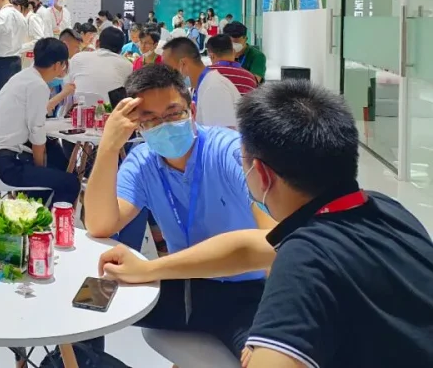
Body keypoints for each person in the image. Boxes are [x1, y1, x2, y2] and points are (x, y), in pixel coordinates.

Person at [99, 81, 433, 368]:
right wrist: (148, 269)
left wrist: (268, 340)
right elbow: (253, 247)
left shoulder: (304, 260)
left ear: (260, 174)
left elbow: (271, 257)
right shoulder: (387, 209)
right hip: (192, 287)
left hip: (243, 298)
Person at [85, 65, 272, 358]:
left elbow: (272, 242)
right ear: (138, 126)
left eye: (173, 114)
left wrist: (149, 269)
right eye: (150, 119)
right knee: (86, 302)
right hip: (182, 286)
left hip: (247, 294)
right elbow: (99, 224)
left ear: (192, 111)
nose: (164, 125)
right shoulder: (143, 162)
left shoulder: (229, 152)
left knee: (270, 359)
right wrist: (108, 146)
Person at [0, 38, 81, 206]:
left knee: (55, 159)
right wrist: (40, 170)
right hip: (5, 166)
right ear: (58, 65)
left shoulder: (21, 77)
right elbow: (37, 136)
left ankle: (36, 209)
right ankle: (46, 220)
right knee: (70, 182)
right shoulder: (38, 85)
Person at [161, 37, 240, 128]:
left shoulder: (214, 88)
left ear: (183, 64)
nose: (167, 75)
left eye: (169, 69)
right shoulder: (202, 86)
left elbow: (222, 133)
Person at [48, 27, 131, 110]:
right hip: (108, 113)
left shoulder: (77, 57)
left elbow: (68, 87)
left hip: (77, 112)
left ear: (97, 43)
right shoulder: (127, 64)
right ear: (121, 50)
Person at [13, 0, 46, 69]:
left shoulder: (32, 19)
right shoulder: (23, 18)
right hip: (23, 57)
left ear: (19, 7)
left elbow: (39, 40)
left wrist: (21, 47)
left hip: (31, 58)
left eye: (13, 8)